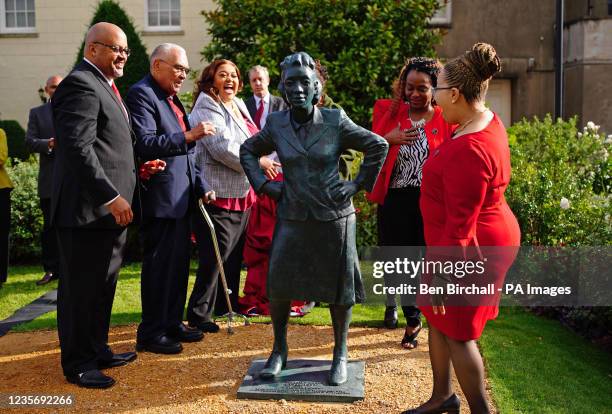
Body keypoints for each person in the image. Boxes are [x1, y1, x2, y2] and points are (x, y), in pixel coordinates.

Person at [240, 52, 388, 386]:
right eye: (290, 82)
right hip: (292, 215)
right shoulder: (277, 124)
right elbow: (248, 150)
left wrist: (355, 185)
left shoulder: (335, 120)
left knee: (340, 289)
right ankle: (279, 350)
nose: (296, 89)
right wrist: (264, 186)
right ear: (282, 86)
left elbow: (377, 145)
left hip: (334, 217)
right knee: (278, 283)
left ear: (316, 86)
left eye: (303, 82)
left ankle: (340, 352)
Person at [403, 43, 520, 414]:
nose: (434, 102)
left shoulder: (469, 148)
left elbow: (461, 227)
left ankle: (481, 411)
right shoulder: (483, 119)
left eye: (436, 91)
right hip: (459, 239)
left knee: (459, 332)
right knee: (438, 317)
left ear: (454, 93)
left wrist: (440, 273)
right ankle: (442, 398)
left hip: (471, 247)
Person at [51, 22, 137, 389]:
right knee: (81, 292)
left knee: (103, 287)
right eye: (115, 49)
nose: (122, 56)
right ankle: (79, 364)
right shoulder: (80, 84)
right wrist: (109, 194)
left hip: (110, 213)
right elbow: (77, 149)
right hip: (86, 212)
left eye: (125, 51)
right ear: (92, 49)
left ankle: (98, 349)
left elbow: (108, 147)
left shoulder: (106, 86)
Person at [126, 43, 216, 354]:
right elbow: (146, 143)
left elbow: (188, 158)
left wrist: (201, 184)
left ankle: (172, 323)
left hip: (182, 199)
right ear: (157, 66)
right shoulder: (142, 94)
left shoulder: (171, 98)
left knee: (177, 267)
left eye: (186, 70)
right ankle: (151, 332)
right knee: (159, 268)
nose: (183, 75)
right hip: (161, 201)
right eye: (178, 68)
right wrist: (189, 136)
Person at [367, 57, 453, 349]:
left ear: (434, 89)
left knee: (428, 262)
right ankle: (413, 318)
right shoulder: (387, 112)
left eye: (422, 89)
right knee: (399, 263)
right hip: (395, 201)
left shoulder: (446, 118)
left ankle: (431, 314)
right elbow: (368, 146)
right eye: (409, 88)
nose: (414, 94)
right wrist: (387, 139)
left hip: (430, 202)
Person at [186, 59, 260, 333]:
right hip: (217, 193)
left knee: (231, 256)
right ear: (211, 80)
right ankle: (198, 313)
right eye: (222, 75)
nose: (230, 80)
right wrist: (258, 162)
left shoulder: (238, 104)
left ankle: (223, 304)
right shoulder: (206, 106)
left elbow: (255, 137)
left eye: (234, 76)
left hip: (242, 190)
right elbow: (222, 148)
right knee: (214, 256)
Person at [25, 75, 63, 286]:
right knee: (49, 227)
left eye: (61, 86)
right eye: (54, 87)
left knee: (71, 226)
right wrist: (48, 144)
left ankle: (69, 268)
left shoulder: (74, 110)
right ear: (47, 90)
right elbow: (29, 142)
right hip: (49, 180)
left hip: (72, 180)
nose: (57, 90)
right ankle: (51, 268)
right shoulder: (37, 113)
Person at [244, 65, 287, 130]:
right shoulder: (244, 107)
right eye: (254, 80)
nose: (257, 83)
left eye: (260, 79)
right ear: (250, 83)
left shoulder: (283, 104)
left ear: (268, 81)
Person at [0, 127, 12, 288]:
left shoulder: (0, 133)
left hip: (1, 190)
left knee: (1, 234)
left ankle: (0, 277)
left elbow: (1, 158)